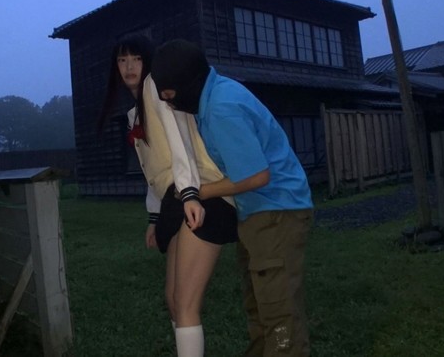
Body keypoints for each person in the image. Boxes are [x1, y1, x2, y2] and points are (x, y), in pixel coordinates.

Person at [151, 38, 314, 357]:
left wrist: (200, 191)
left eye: (170, 97)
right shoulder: (213, 95)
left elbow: (257, 176)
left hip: (277, 210)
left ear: (187, 85)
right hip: (257, 212)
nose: (170, 105)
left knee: (277, 308)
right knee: (259, 301)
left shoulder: (221, 108)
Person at [98, 35, 238, 357]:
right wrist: (154, 217)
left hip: (202, 195)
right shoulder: (134, 114)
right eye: (122, 60)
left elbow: (180, 141)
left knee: (185, 303)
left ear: (147, 61)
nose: (129, 67)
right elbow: (154, 173)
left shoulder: (155, 86)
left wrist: (190, 193)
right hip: (177, 200)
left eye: (136, 58)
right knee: (174, 300)